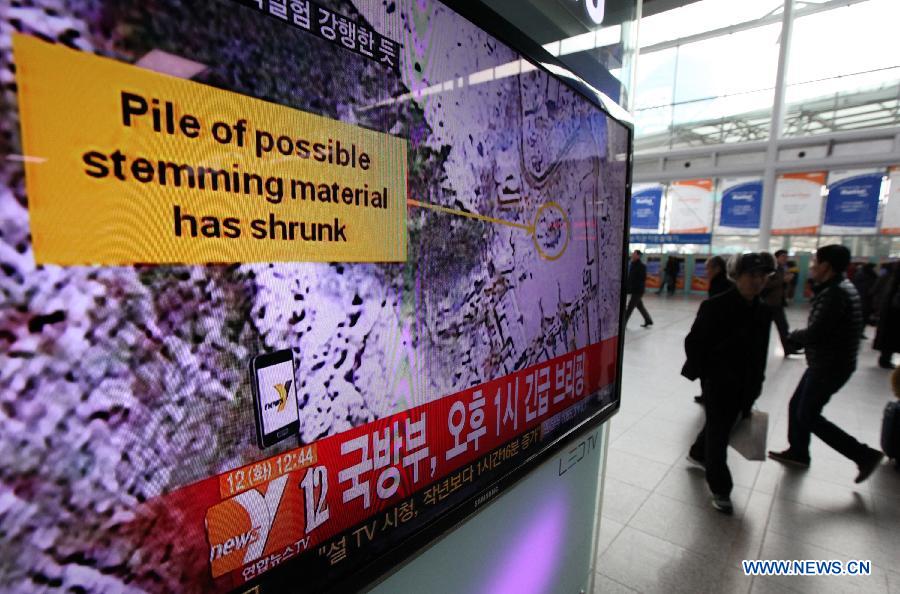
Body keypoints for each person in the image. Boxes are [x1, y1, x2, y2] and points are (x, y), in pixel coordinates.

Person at [768, 245, 884, 483]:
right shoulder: (841, 287)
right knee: (796, 405)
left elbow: (818, 331)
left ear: (827, 266)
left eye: (815, 263)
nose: (812, 268)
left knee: (808, 414)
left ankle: (863, 454)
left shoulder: (835, 293)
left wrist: (794, 337)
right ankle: (798, 451)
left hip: (830, 364)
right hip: (830, 361)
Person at [682, 252, 775, 514]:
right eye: (751, 276)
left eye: (762, 276)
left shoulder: (764, 311)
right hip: (718, 384)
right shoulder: (715, 307)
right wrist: (708, 372)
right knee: (719, 434)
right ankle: (721, 489)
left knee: (719, 427)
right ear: (738, 276)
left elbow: (760, 353)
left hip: (746, 387)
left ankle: (698, 453)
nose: (757, 282)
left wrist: (757, 385)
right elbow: (694, 343)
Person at [693, 255, 734, 405]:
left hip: (715, 337)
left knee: (709, 369)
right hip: (716, 335)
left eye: (708, 268)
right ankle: (706, 395)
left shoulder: (721, 285)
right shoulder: (722, 283)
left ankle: (709, 396)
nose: (706, 272)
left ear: (717, 268)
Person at [762, 250, 800, 356]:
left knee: (783, 326)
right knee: (767, 328)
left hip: (777, 303)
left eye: (786, 257)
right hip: (769, 303)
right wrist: (783, 280)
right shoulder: (771, 269)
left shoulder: (782, 269)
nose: (785, 259)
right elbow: (765, 284)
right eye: (783, 256)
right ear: (776, 257)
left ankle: (788, 349)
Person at [875, 263, 900, 369]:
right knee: (890, 338)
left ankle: (885, 359)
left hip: (889, 314)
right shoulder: (895, 281)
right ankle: (885, 360)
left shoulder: (892, 278)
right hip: (894, 315)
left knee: (888, 339)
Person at [625, 250, 653, 328]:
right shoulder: (632, 264)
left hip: (638, 290)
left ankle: (623, 323)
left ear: (638, 256)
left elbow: (641, 279)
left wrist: (633, 286)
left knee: (630, 307)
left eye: (634, 254)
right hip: (633, 289)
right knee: (640, 306)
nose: (632, 255)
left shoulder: (641, 266)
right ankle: (648, 320)